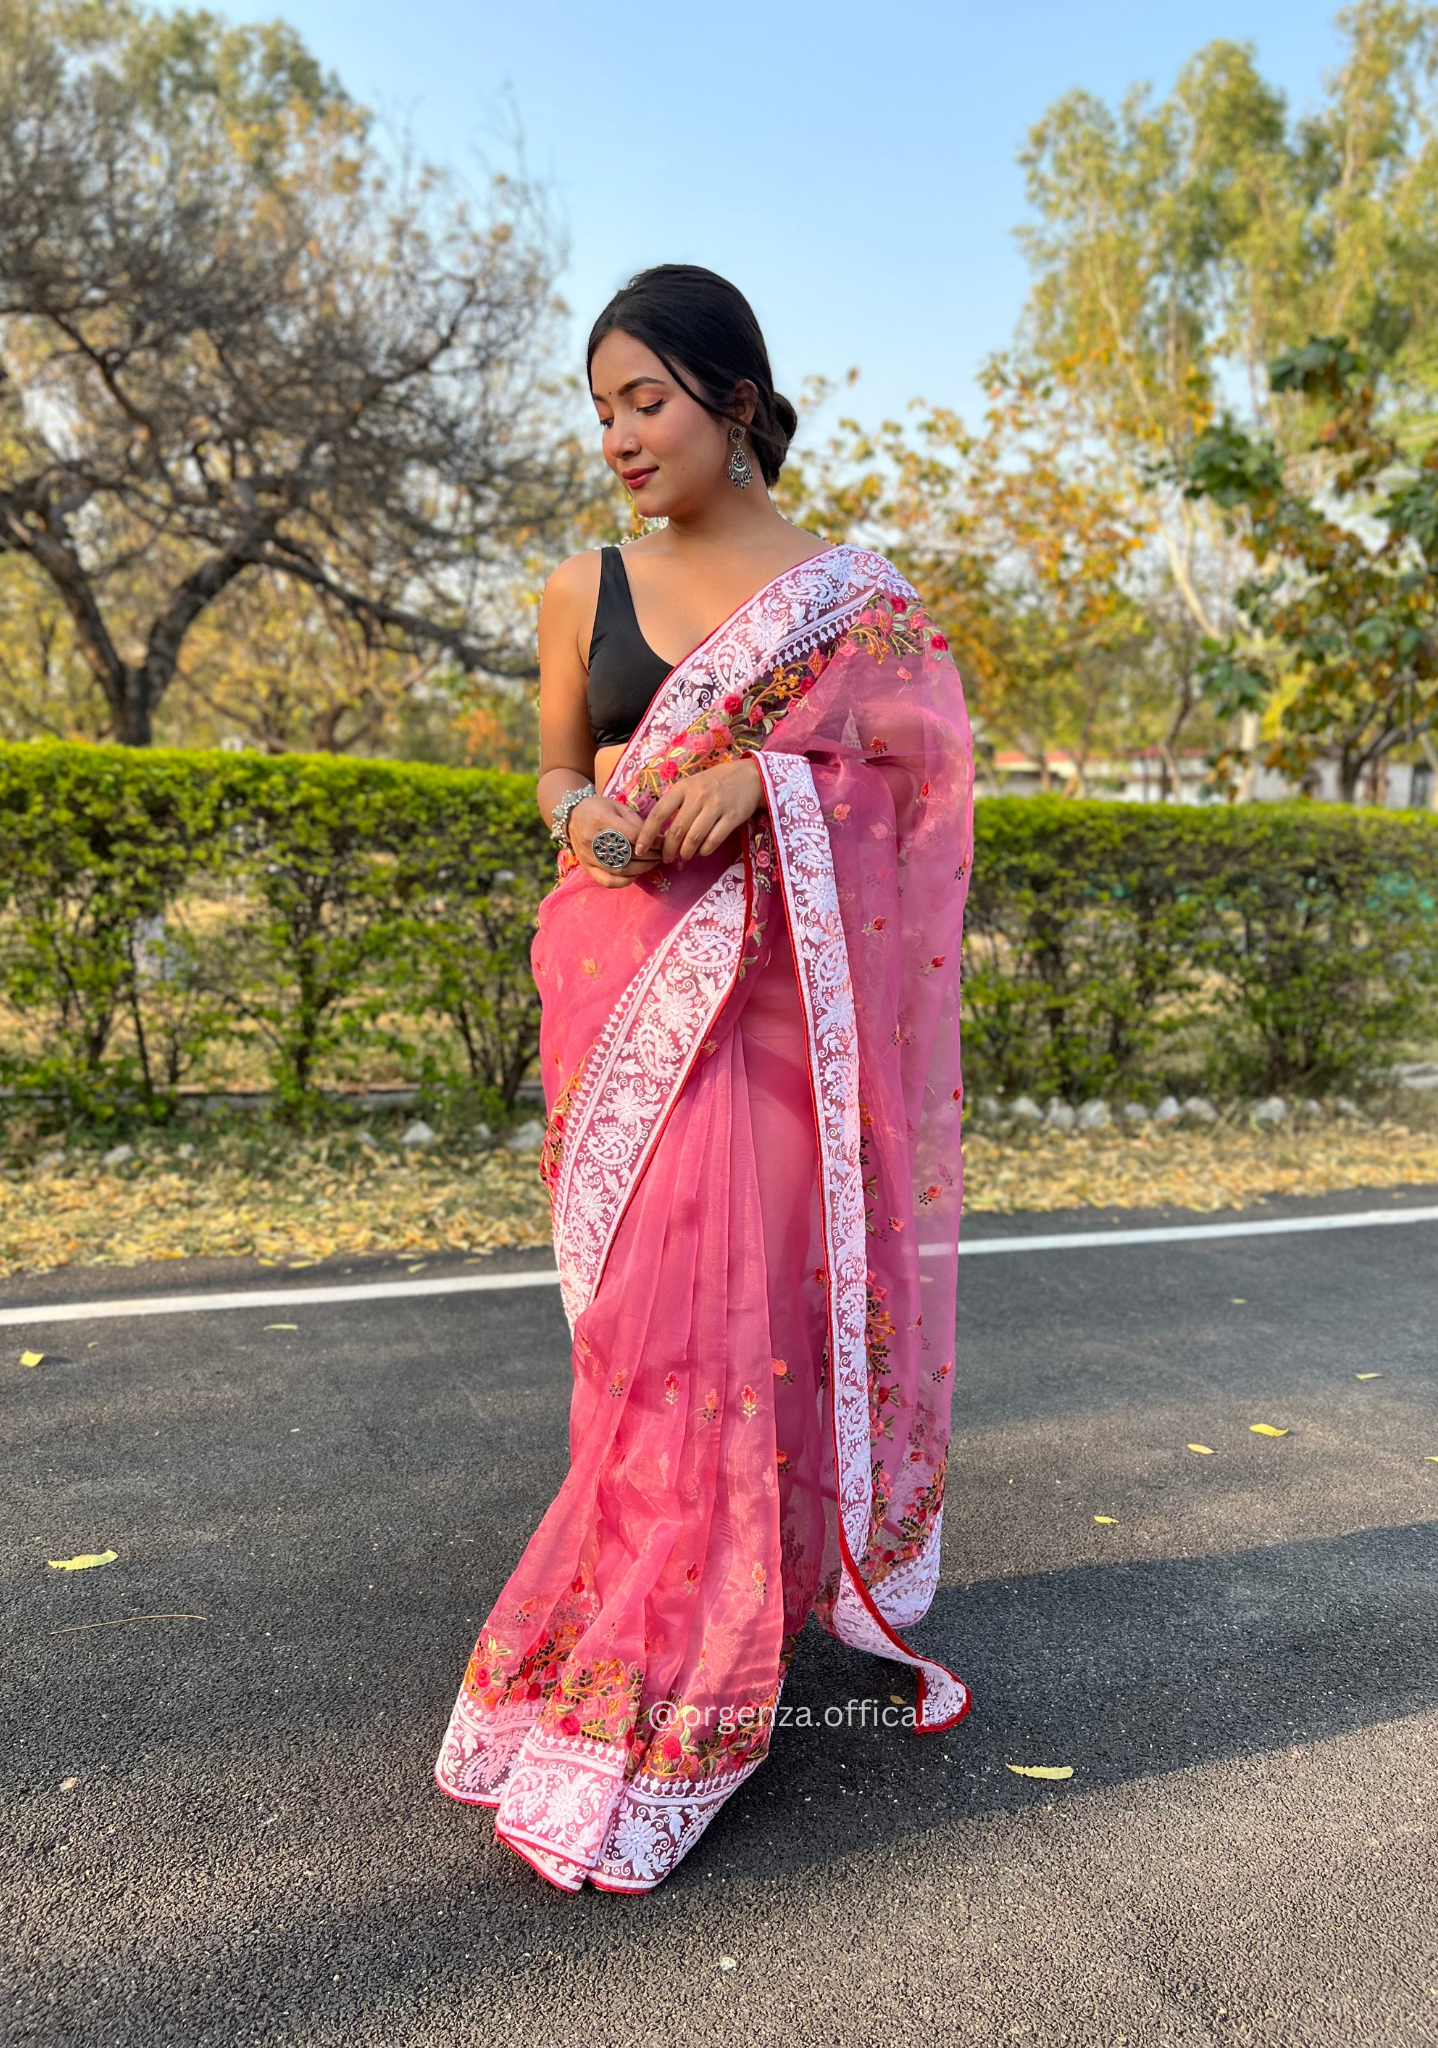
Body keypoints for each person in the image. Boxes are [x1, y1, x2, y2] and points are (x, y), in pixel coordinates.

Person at [435, 264, 974, 1893]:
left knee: (729, 1330)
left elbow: (924, 764)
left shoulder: (850, 597)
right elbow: (553, 762)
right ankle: (640, 1633)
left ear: (733, 399)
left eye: (644, 399)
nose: (616, 435)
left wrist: (767, 777)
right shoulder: (575, 584)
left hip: (763, 1026)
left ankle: (695, 1686)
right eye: (600, 407)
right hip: (614, 1000)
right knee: (636, 1341)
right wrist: (575, 813)